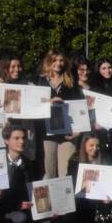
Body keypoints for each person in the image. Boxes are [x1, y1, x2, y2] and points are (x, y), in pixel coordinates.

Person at [37, 51, 81, 179]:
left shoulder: (71, 82)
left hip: (67, 133)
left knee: (66, 173)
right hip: (46, 133)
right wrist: (47, 103)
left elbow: (78, 107)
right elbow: (33, 104)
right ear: (48, 62)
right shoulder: (40, 80)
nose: (58, 63)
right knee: (48, 172)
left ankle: (65, 199)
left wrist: (78, 131)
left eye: (61, 60)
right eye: (55, 60)